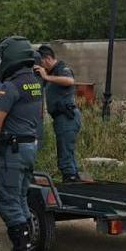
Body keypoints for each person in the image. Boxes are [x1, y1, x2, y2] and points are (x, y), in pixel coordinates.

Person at [0, 36, 44, 251]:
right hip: (30, 147)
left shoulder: (9, 87)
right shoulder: (35, 82)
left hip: (14, 149)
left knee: (9, 205)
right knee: (20, 201)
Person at [34, 44, 81, 183]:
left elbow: (70, 81)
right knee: (66, 148)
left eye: (41, 62)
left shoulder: (61, 68)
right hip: (60, 118)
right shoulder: (50, 72)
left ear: (48, 58)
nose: (41, 66)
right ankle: (72, 175)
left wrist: (46, 77)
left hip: (67, 116)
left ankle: (70, 177)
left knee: (65, 149)